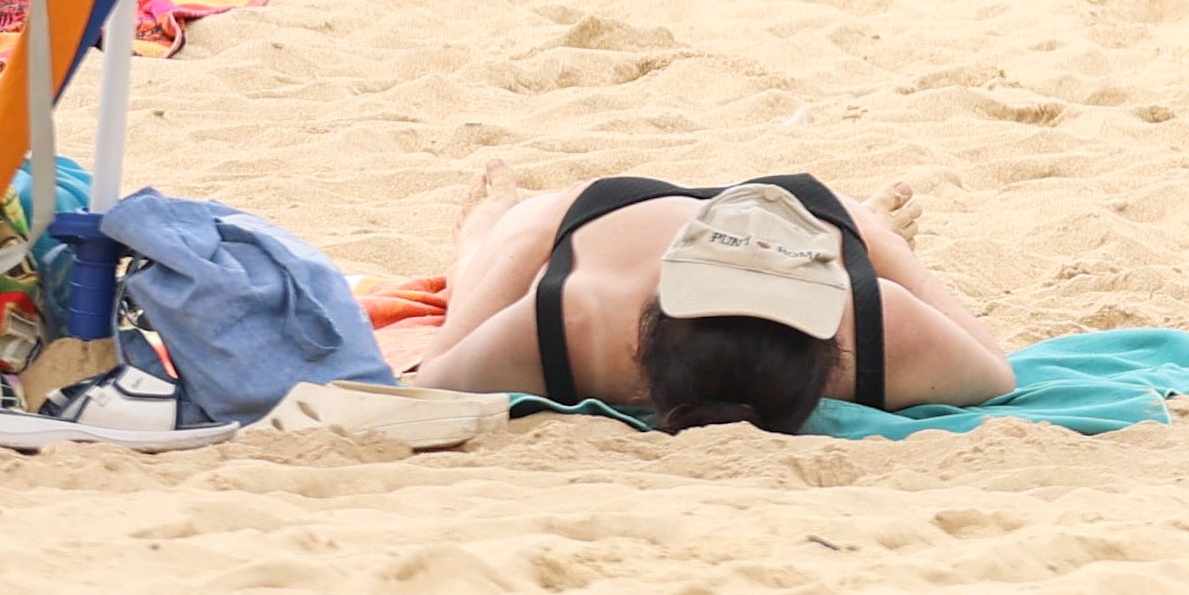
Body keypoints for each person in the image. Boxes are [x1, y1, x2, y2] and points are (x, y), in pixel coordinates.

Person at [396, 161, 1012, 429]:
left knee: (509, 239)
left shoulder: (574, 324)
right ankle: (866, 223)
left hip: (614, 225)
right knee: (508, 234)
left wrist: (485, 252)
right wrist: (875, 243)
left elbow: (435, 375)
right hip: (804, 221)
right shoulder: (877, 327)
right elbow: (996, 371)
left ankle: (865, 225)